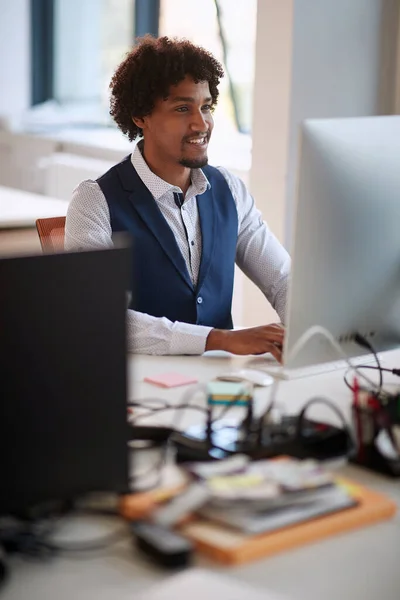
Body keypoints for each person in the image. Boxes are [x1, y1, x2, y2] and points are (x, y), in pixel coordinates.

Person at [65, 35, 290, 360]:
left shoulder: (229, 189)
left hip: (219, 382)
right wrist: (218, 339)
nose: (202, 123)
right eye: (183, 108)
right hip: (139, 388)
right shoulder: (95, 201)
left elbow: (282, 279)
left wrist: (305, 332)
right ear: (141, 117)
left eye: (206, 107)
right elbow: (99, 316)